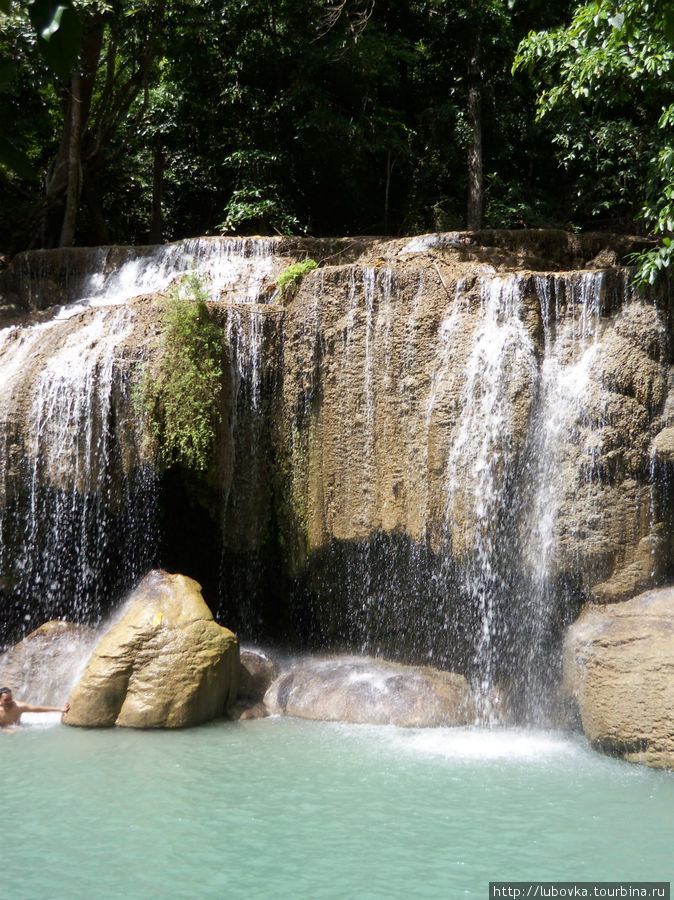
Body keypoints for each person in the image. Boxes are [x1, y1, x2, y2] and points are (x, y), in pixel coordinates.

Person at [0, 686, 69, 729]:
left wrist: (60, 709)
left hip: (18, 731)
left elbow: (38, 709)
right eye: (6, 700)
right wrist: (7, 730)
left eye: (11, 699)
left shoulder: (18, 706)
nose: (9, 702)